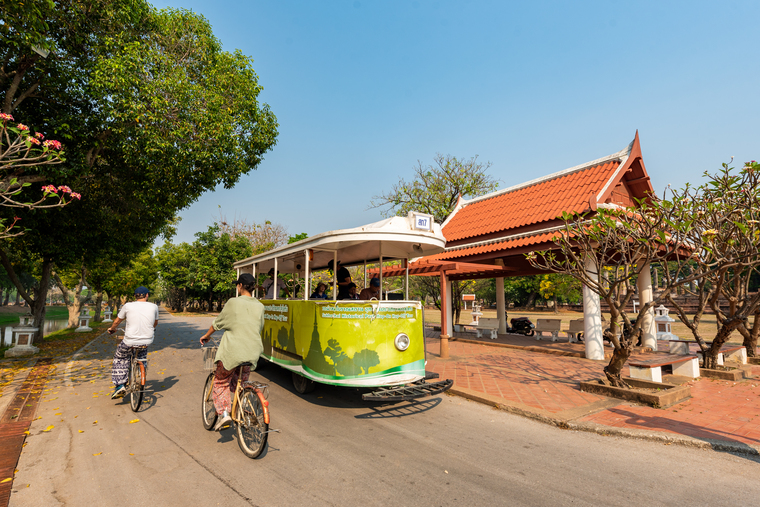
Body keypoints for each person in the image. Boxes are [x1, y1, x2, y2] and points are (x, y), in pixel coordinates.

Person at [199, 273, 265, 431]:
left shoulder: (233, 302)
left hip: (233, 352)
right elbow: (259, 327)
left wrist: (206, 336)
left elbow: (218, 323)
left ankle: (224, 414)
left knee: (221, 381)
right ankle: (243, 408)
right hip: (253, 351)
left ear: (240, 286)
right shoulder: (260, 306)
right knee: (240, 383)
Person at [108, 286, 159, 399]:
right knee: (142, 354)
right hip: (147, 340)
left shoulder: (128, 306)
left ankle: (120, 384)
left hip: (129, 340)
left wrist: (112, 329)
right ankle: (141, 375)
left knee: (120, 357)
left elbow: (117, 321)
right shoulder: (154, 306)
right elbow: (155, 323)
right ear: (147, 295)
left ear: (135, 296)